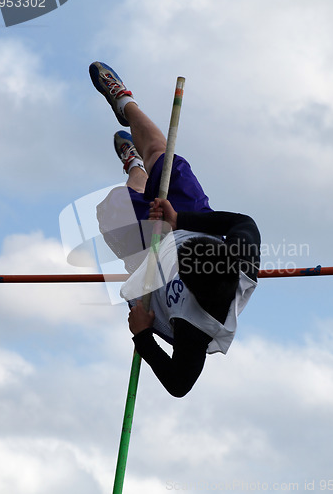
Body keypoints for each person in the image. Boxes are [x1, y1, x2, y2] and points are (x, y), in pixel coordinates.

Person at [89, 62, 261, 397]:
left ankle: (134, 169)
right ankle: (125, 102)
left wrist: (143, 336)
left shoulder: (193, 328)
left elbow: (179, 385)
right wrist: (180, 222)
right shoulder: (243, 262)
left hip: (154, 279)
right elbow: (244, 222)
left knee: (113, 206)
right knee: (163, 157)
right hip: (191, 225)